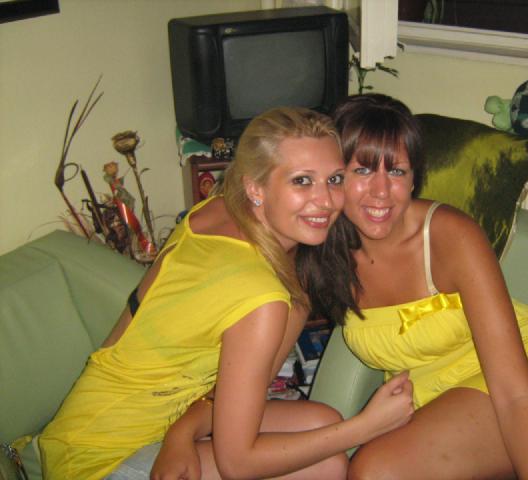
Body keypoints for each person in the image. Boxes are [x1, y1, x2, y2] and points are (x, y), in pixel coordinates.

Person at [38, 106, 414, 480]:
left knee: (322, 421)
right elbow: (238, 463)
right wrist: (367, 426)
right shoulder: (263, 298)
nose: (327, 201)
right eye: (302, 181)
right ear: (255, 188)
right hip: (97, 456)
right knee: (327, 465)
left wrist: (182, 433)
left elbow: (225, 392)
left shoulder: (215, 211)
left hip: (123, 419)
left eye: (334, 179)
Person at [303, 94, 528, 479]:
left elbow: (514, 390)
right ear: (334, 176)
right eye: (363, 170)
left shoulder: (450, 235)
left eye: (397, 171)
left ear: (414, 178)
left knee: (374, 471)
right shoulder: (322, 247)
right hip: (433, 401)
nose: (381, 192)